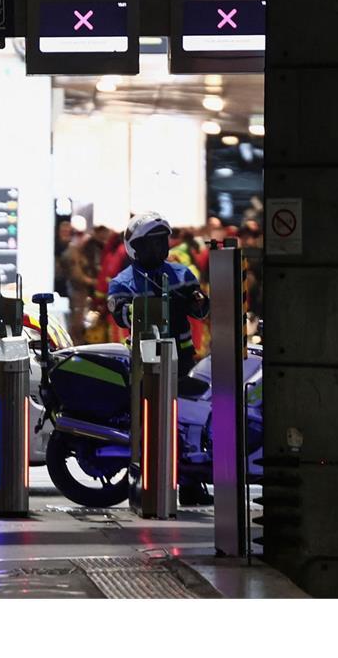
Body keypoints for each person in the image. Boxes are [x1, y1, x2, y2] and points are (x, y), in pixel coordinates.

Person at [107, 213, 212, 506]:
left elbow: (201, 310)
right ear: (135, 247)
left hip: (183, 361)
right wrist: (146, 307)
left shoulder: (181, 274)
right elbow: (119, 312)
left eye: (162, 241)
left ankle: (191, 483)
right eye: (152, 242)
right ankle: (144, 482)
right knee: (145, 424)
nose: (159, 248)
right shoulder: (123, 281)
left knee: (189, 425)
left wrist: (197, 302)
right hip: (145, 363)